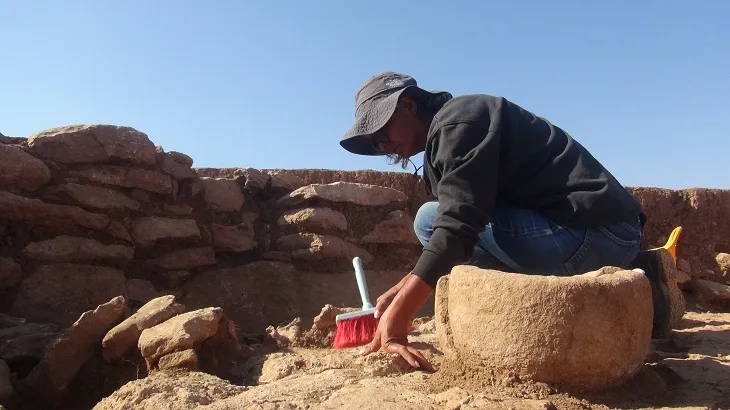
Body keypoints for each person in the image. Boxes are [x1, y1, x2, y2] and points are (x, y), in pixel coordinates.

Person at [339, 72, 684, 371]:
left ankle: (625, 267)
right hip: (600, 235)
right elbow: (464, 220)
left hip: (598, 232)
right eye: (374, 142)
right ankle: (644, 272)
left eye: (381, 129)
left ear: (408, 106)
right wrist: (401, 289)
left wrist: (399, 318)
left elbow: (459, 226)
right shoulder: (443, 143)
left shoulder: (459, 121)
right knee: (432, 220)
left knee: (431, 221)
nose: (382, 144)